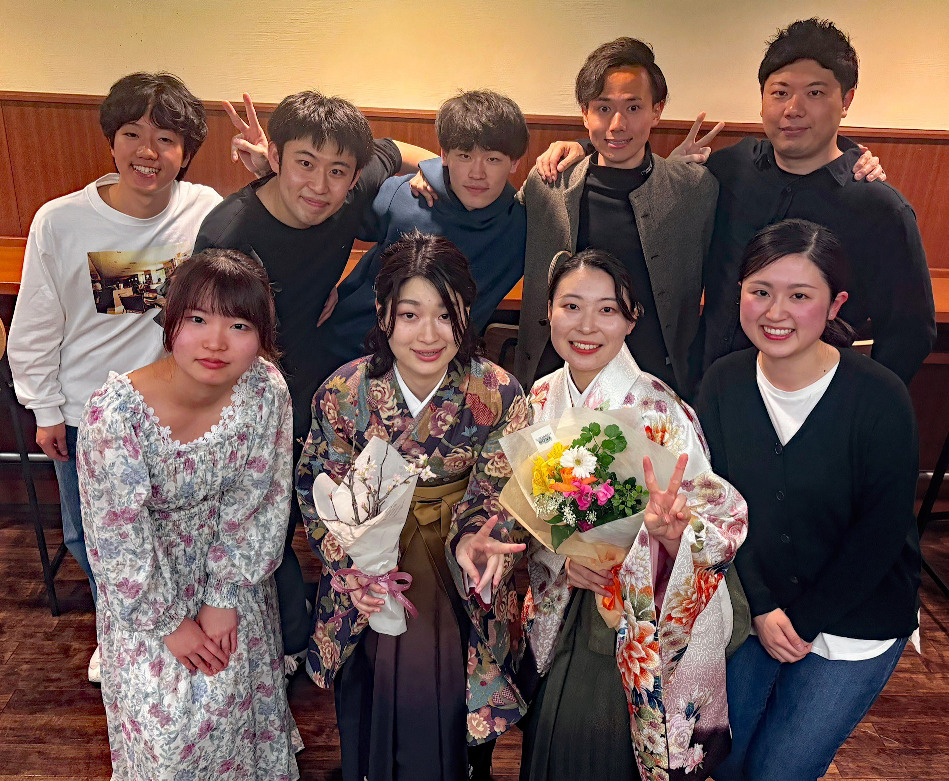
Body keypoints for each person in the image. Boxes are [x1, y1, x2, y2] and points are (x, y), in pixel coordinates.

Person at [193, 91, 435, 667]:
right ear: (274, 156)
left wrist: (434, 176)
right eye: (304, 163)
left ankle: (328, 621)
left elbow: (396, 148)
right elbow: (196, 338)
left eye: (337, 171)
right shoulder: (228, 233)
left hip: (312, 375)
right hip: (242, 390)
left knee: (318, 505)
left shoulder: (347, 194)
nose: (320, 186)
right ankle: (280, 644)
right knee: (260, 519)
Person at [7, 71, 221, 682]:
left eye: (166, 139)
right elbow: (36, 323)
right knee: (90, 537)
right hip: (89, 413)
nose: (147, 151)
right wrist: (46, 408)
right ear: (111, 140)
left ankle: (169, 624)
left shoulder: (204, 210)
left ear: (186, 152)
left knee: (170, 532)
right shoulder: (60, 221)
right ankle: (119, 627)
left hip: (175, 413)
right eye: (132, 133)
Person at [296, 232, 530, 781]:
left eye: (446, 315)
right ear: (383, 314)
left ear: (466, 314)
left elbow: (500, 490)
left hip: (454, 569)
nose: (429, 334)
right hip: (370, 573)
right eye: (410, 315)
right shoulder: (345, 392)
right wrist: (351, 568)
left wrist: (477, 541)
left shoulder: (497, 393)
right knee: (370, 704)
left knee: (451, 708)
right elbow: (315, 486)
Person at [696, 219, 921, 781]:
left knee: (780, 770)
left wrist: (803, 619)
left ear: (835, 303)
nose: (776, 312)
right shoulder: (722, 383)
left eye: (800, 296)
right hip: (761, 603)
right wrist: (764, 604)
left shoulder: (879, 396)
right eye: (760, 291)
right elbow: (719, 505)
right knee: (721, 759)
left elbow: (882, 532)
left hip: (858, 614)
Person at [522, 248, 747, 781]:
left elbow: (722, 519)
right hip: (566, 599)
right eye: (571, 305)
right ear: (548, 311)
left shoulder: (660, 409)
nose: (586, 326)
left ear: (631, 320)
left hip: (636, 613)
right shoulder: (541, 396)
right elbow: (530, 513)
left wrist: (670, 537)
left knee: (598, 746)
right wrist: (562, 559)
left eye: (607, 310)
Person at [77, 248, 301, 780]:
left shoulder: (265, 389)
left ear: (262, 335)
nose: (215, 342)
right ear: (170, 322)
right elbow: (116, 538)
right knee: (171, 736)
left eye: (239, 325)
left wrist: (224, 597)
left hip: (234, 577)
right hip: (147, 588)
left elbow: (262, 498)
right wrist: (169, 623)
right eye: (197, 319)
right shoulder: (116, 416)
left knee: (236, 707)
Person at [700, 18, 935, 384]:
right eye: (780, 92)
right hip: (710, 389)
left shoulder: (879, 208)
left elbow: (910, 330)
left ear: (846, 101)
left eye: (814, 93)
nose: (793, 109)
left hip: (812, 399)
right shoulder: (728, 170)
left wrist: (857, 402)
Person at [514, 37, 719, 399]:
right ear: (585, 113)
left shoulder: (694, 190)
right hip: (554, 385)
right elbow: (491, 218)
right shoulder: (549, 182)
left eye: (634, 107)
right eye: (603, 108)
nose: (617, 124)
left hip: (655, 388)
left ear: (657, 110)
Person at [312, 89, 529, 388]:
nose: (477, 173)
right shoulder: (407, 195)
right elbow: (329, 218)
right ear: (444, 156)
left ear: (514, 162)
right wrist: (322, 279)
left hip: (439, 370)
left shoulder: (523, 225)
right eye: (464, 156)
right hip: (348, 351)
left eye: (493, 159)